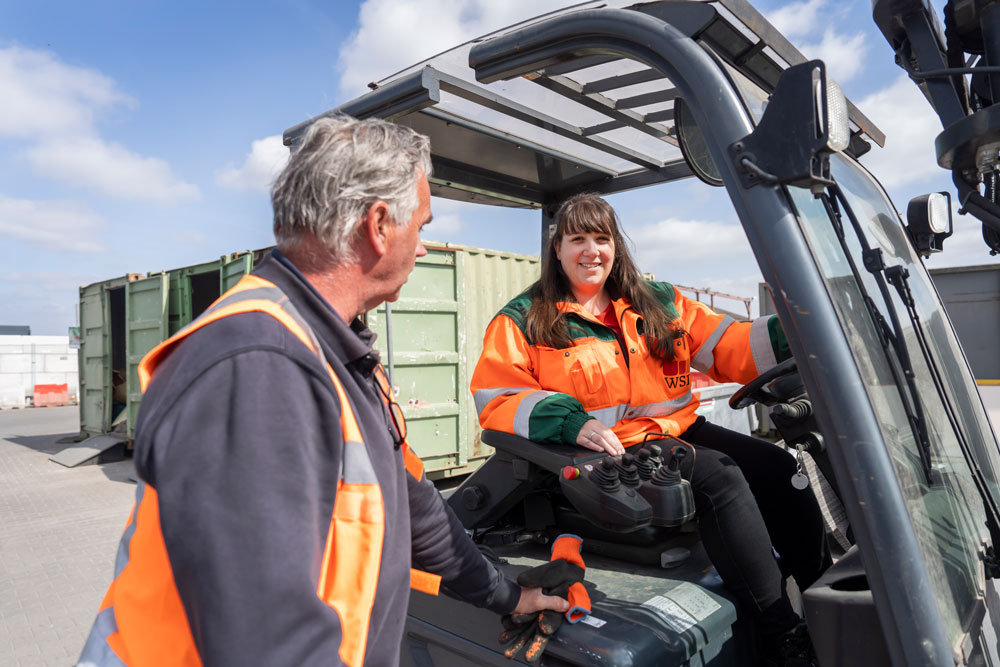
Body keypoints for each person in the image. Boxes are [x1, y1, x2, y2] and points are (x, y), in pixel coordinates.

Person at [78, 115, 566, 667]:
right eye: (420, 227)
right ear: (378, 225)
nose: (423, 249)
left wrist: (505, 595)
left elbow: (412, 505)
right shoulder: (258, 364)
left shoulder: (333, 350)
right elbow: (266, 639)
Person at [471, 193, 832, 666]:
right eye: (577, 239)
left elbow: (729, 344)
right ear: (557, 249)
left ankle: (826, 601)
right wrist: (569, 420)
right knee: (721, 478)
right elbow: (499, 395)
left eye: (601, 239)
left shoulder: (658, 302)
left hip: (679, 430)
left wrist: (798, 330)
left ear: (615, 247)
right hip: (611, 453)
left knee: (780, 467)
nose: (591, 251)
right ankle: (782, 633)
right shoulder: (525, 320)